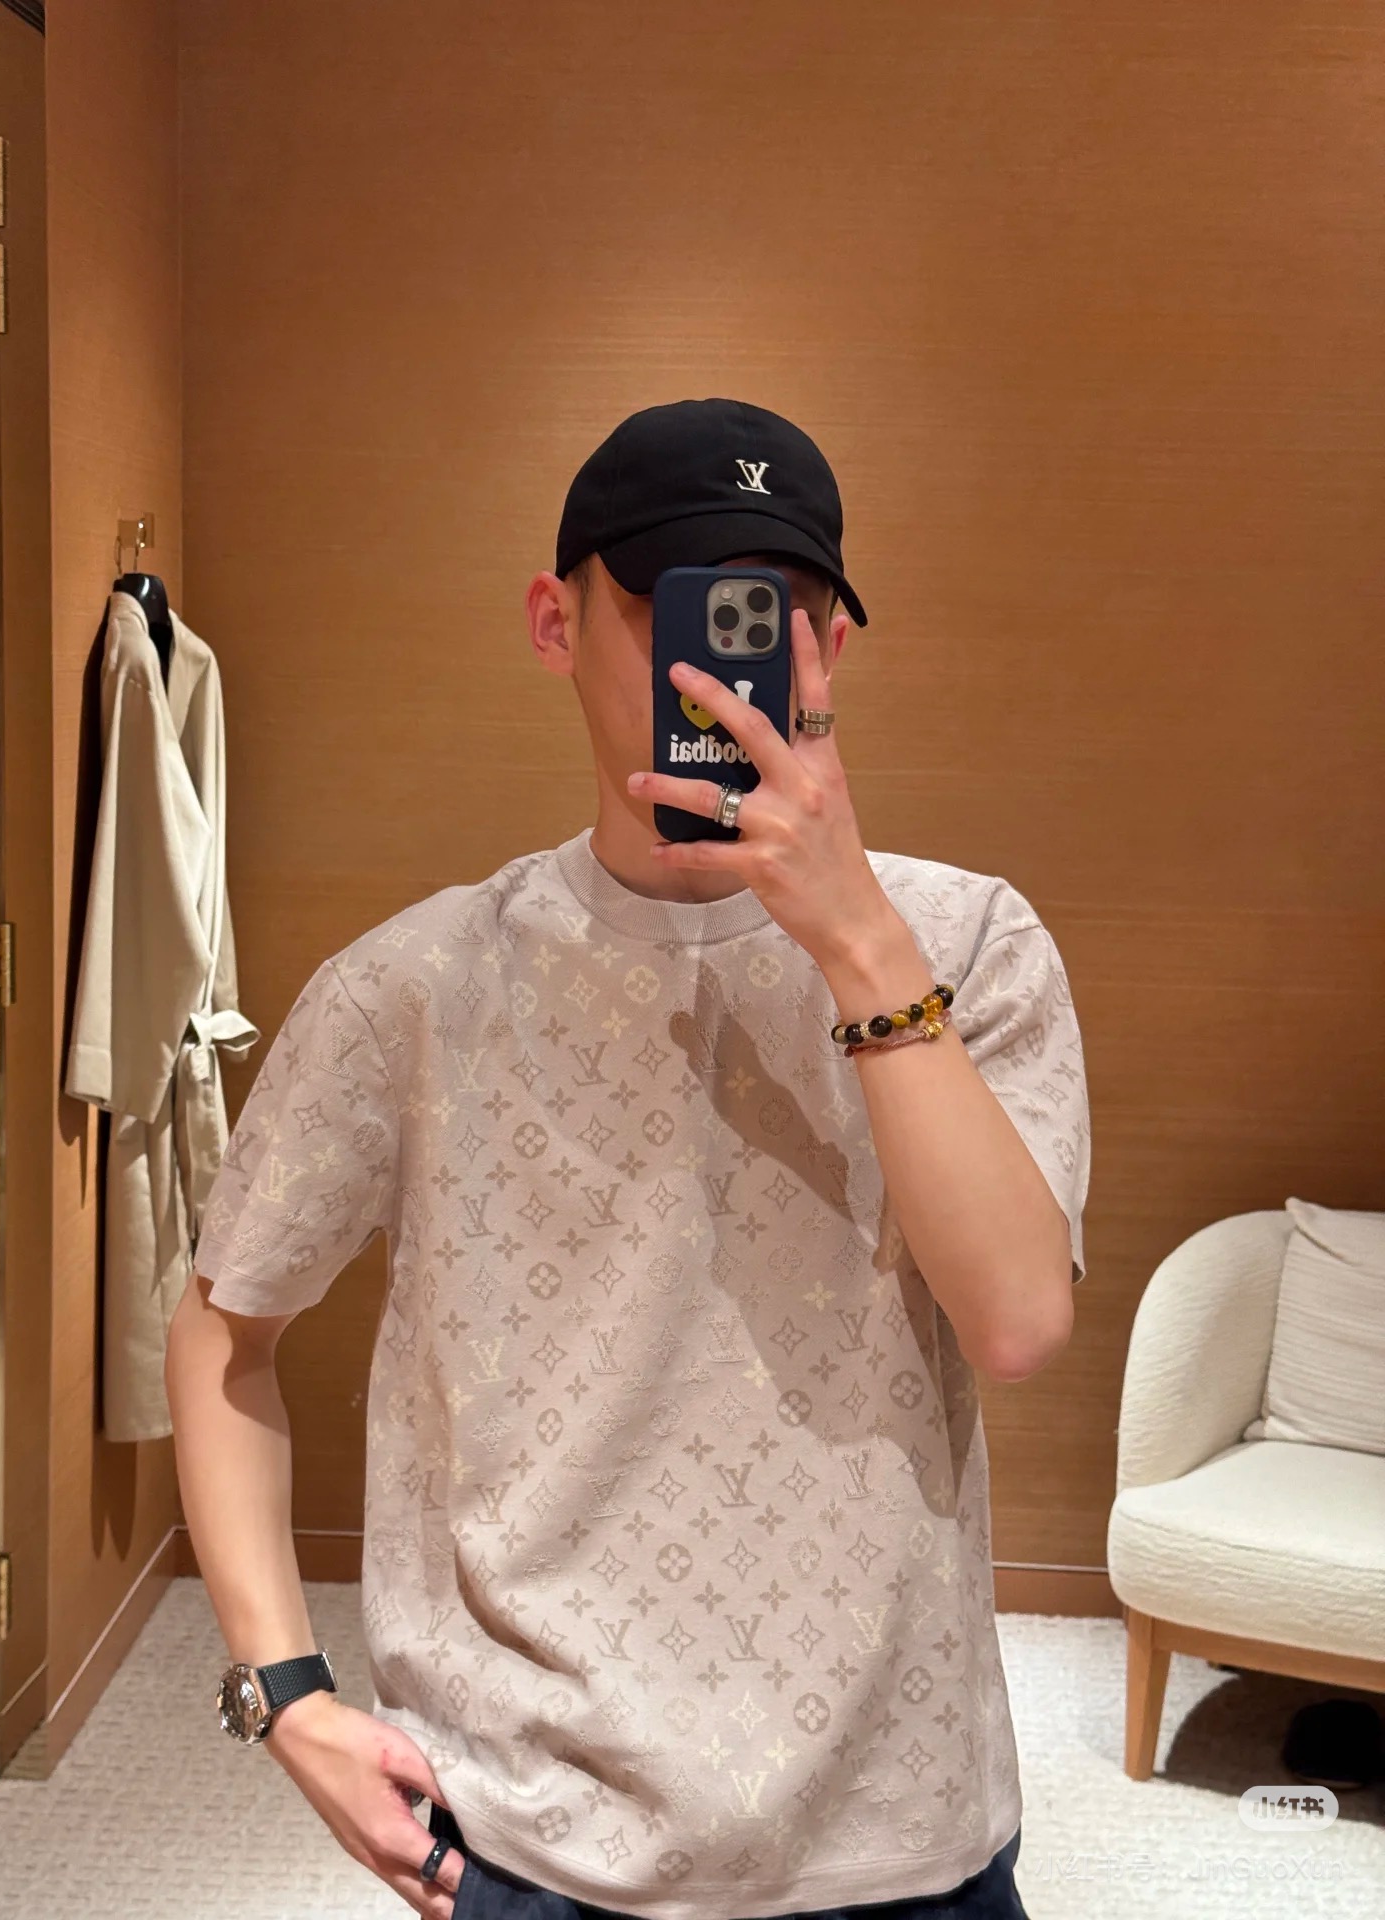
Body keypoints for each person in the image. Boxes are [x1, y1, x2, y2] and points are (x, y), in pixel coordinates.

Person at [166, 396, 1089, 1920]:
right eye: (683, 601)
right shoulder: (416, 987)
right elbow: (226, 1324)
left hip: (901, 1831)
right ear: (556, 621)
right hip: (535, 1837)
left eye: (775, 615)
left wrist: (856, 940)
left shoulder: (966, 942)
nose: (728, 657)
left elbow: (1017, 1320)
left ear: (827, 651)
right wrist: (285, 1695)